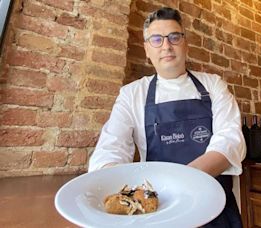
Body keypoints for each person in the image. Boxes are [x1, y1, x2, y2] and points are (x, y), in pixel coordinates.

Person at [89, 7, 246, 227]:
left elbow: (230, 142)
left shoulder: (214, 85)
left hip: (215, 209)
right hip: (159, 213)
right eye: (156, 39)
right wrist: (116, 189)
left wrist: (178, 182)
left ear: (185, 43)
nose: (166, 46)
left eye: (174, 37)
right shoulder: (132, 94)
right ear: (146, 49)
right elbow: (110, 148)